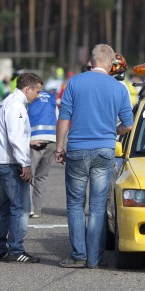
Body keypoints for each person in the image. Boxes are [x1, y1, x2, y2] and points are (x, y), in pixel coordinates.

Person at [55, 44, 134, 269]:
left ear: (91, 61)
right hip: (105, 150)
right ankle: (95, 258)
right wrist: (112, 132)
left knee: (75, 203)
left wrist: (59, 148)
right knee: (98, 206)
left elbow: (64, 117)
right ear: (110, 63)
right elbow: (128, 125)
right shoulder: (119, 88)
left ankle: (78, 255)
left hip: (77, 149)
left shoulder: (74, 82)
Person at [0, 73, 44, 263]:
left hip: (2, 160)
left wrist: (29, 142)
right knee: (21, 207)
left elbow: (12, 135)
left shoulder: (8, 102)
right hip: (10, 162)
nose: (38, 95)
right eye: (37, 91)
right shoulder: (16, 106)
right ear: (27, 89)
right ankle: (15, 249)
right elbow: (15, 137)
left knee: (4, 206)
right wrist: (25, 164)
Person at [28, 88, 59, 218]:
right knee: (42, 176)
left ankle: (28, 208)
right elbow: (57, 118)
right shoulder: (52, 97)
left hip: (34, 140)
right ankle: (37, 209)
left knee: (28, 175)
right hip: (52, 139)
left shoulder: (29, 97)